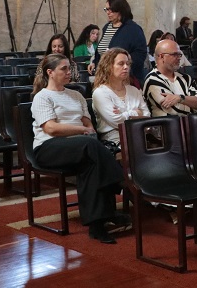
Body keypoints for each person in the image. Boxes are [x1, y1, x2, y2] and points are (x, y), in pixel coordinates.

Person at [30, 53, 127, 244]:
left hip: (80, 148)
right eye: (64, 69)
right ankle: (120, 181)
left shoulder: (76, 95)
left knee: (92, 165)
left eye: (70, 68)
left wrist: (86, 130)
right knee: (92, 146)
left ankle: (97, 226)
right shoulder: (42, 97)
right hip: (49, 148)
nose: (69, 72)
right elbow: (51, 128)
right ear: (50, 72)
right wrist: (82, 130)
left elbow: (88, 123)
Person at [91, 48, 149, 145]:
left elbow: (147, 116)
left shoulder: (134, 90)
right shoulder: (100, 93)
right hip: (115, 140)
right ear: (108, 66)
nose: (126, 67)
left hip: (140, 134)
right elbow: (117, 122)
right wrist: (136, 112)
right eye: (121, 64)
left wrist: (123, 114)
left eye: (128, 64)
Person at [94, 0, 148, 85]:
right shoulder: (107, 27)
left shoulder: (133, 29)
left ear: (120, 10)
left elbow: (140, 53)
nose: (108, 12)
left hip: (125, 78)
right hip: (105, 76)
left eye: (111, 10)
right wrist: (94, 62)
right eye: (106, 9)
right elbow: (102, 49)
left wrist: (123, 64)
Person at [142, 39, 197, 116]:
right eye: (174, 54)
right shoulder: (152, 80)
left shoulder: (186, 78)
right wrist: (191, 104)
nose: (179, 58)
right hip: (168, 123)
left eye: (179, 54)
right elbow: (175, 111)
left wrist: (179, 98)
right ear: (161, 56)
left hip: (191, 123)